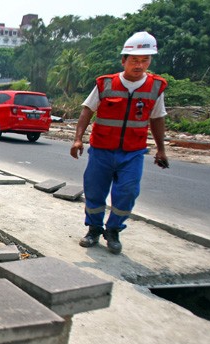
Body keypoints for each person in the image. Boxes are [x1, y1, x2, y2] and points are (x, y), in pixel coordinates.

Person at [70, 31, 169, 255]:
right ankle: (94, 228)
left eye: (145, 60)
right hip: (102, 150)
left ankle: (113, 230)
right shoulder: (105, 84)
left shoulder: (155, 87)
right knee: (94, 192)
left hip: (132, 153)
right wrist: (78, 139)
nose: (139, 65)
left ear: (150, 61)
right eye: (134, 60)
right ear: (123, 60)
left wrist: (161, 150)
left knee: (127, 192)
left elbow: (157, 118)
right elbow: (87, 111)